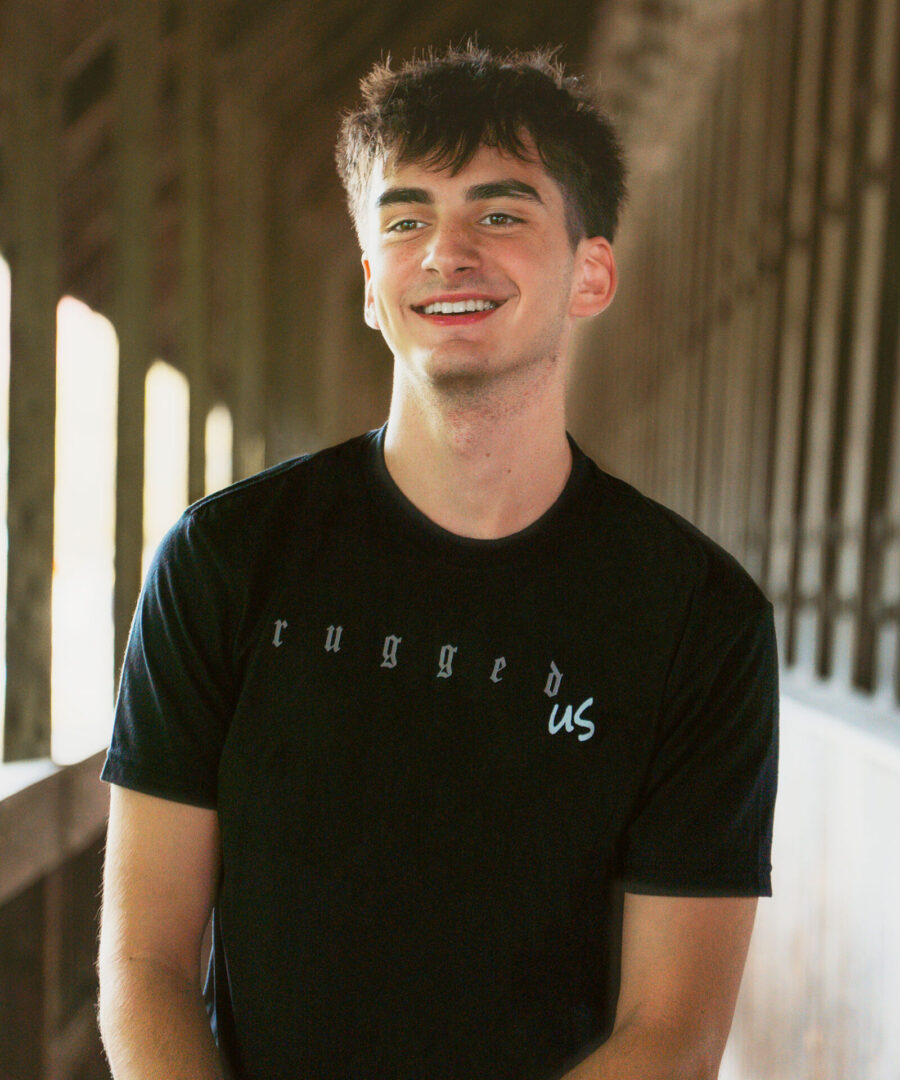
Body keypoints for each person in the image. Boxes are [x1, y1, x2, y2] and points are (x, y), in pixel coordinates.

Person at [97, 42, 778, 1080]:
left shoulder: (697, 619)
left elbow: (670, 1036)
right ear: (372, 283)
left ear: (591, 270)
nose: (445, 253)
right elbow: (144, 964)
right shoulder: (224, 561)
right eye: (405, 219)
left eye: (500, 214)